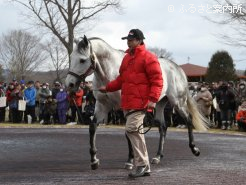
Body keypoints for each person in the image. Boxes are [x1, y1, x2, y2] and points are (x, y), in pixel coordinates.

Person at [99, 29, 163, 178]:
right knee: (136, 133)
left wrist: (153, 100)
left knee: (131, 129)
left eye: (131, 39)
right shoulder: (127, 58)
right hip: (128, 102)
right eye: (127, 39)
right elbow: (122, 79)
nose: (128, 41)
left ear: (139, 40)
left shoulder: (149, 57)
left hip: (141, 103)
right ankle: (145, 166)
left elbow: (157, 81)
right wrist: (108, 87)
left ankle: (140, 164)